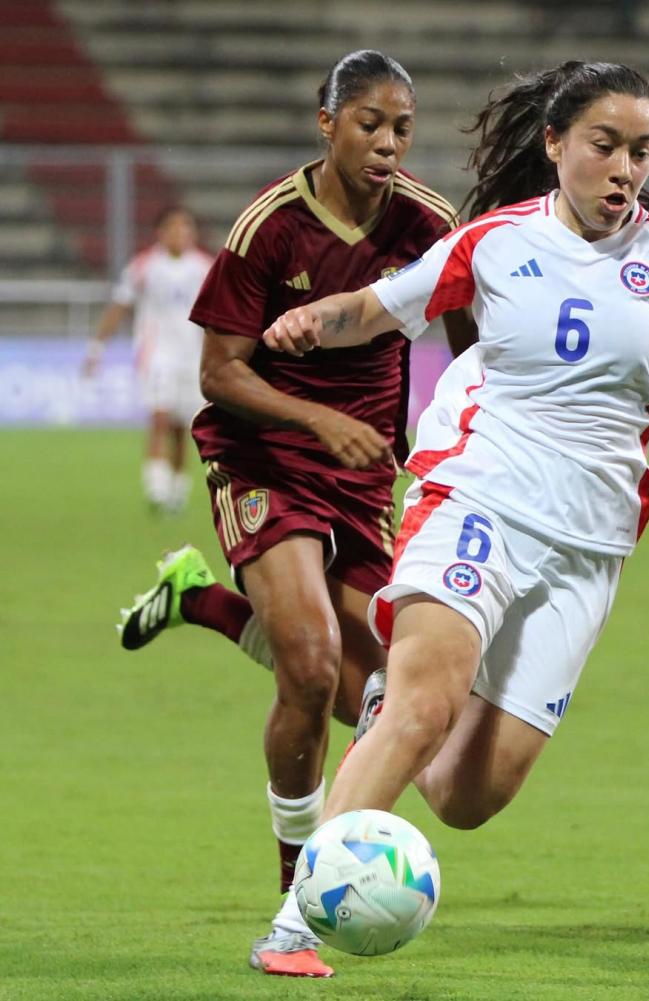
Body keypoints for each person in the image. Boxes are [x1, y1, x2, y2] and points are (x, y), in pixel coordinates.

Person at [263, 59, 649, 924]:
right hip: (478, 496)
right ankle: (297, 919)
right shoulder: (495, 241)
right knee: (426, 705)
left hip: (588, 547)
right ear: (556, 142)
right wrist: (316, 318)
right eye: (605, 146)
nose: (625, 169)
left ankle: (373, 702)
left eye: (642, 151)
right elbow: (379, 308)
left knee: (465, 796)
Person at [117, 50, 474, 978]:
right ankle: (299, 904)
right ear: (327, 124)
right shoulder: (269, 227)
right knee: (312, 665)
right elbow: (219, 373)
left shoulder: (434, 226)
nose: (389, 143)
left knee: (380, 699)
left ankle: (199, 601)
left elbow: (479, 344)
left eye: (402, 127)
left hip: (365, 478)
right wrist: (322, 418)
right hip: (262, 454)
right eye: (369, 124)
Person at [82, 207, 213, 514]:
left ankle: (178, 489)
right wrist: (96, 349)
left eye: (186, 227)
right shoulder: (144, 266)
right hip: (158, 355)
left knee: (184, 426)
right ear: (161, 232)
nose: (181, 233)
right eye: (174, 228)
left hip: (193, 357)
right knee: (159, 416)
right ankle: (156, 485)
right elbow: (119, 306)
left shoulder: (206, 267)